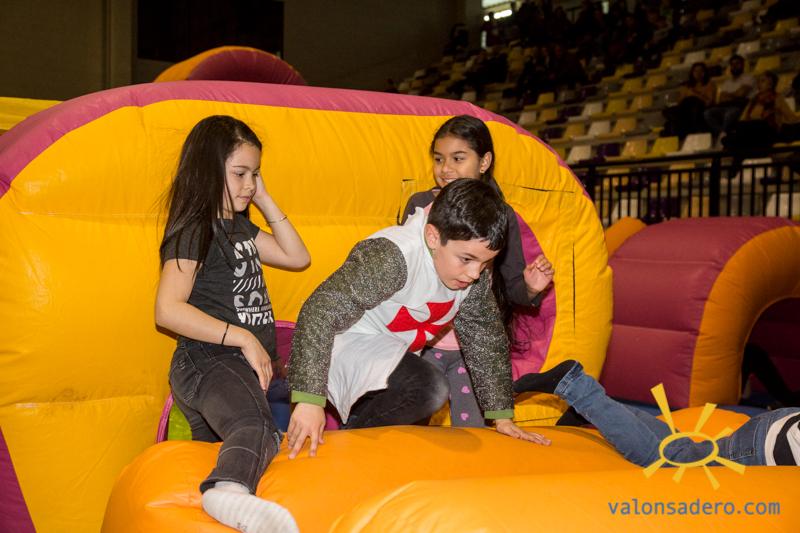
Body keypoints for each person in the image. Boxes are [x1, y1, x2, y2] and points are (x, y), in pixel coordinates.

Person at [285, 179, 551, 458]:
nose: (475, 273)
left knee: (414, 418)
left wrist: (502, 416)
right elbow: (320, 311)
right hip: (338, 346)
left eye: (485, 262)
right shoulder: (393, 256)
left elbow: (485, 337)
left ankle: (362, 452)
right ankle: (351, 448)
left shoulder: (471, 277)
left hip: (391, 357)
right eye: (467, 259)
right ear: (433, 237)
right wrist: (309, 398)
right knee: (429, 387)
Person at [155, 115, 310, 533]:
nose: (249, 184)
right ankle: (226, 490)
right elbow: (167, 310)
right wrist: (242, 337)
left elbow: (297, 257)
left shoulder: (239, 226)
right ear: (208, 171)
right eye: (240, 174)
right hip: (207, 359)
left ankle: (226, 497)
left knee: (228, 448)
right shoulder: (195, 229)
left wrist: (264, 198)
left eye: (255, 174)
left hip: (241, 367)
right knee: (256, 427)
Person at [400, 115, 554, 427]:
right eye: (439, 159)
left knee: (472, 429)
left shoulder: (499, 214)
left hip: (471, 351)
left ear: (484, 162)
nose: (446, 169)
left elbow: (510, 286)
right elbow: (403, 269)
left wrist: (531, 287)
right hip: (423, 342)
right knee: (410, 427)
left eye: (458, 159)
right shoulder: (421, 204)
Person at [515, 360, 800, 467]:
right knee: (665, 461)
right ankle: (575, 387)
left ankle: (593, 410)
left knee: (679, 449)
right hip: (772, 446)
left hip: (780, 426)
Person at [723, 71, 800, 153]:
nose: (759, 84)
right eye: (758, 81)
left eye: (762, 81)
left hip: (767, 131)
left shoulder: (777, 98)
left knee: (757, 128)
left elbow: (790, 117)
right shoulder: (753, 100)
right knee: (729, 137)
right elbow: (743, 119)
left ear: (770, 84)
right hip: (750, 131)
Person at [704, 54, 754, 142]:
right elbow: (722, 98)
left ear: (742, 65)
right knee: (707, 113)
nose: (734, 66)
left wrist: (729, 95)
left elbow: (741, 94)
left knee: (729, 114)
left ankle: (722, 138)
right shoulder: (727, 82)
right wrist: (734, 94)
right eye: (732, 64)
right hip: (725, 106)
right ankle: (723, 134)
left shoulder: (748, 78)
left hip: (740, 106)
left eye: (737, 63)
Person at [663, 62, 716, 139]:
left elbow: (708, 102)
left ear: (705, 72)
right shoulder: (687, 86)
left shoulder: (710, 84)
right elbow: (680, 102)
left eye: (701, 71)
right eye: (695, 71)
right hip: (685, 108)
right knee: (669, 111)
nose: (698, 73)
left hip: (700, 107)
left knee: (693, 104)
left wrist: (695, 93)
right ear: (692, 73)